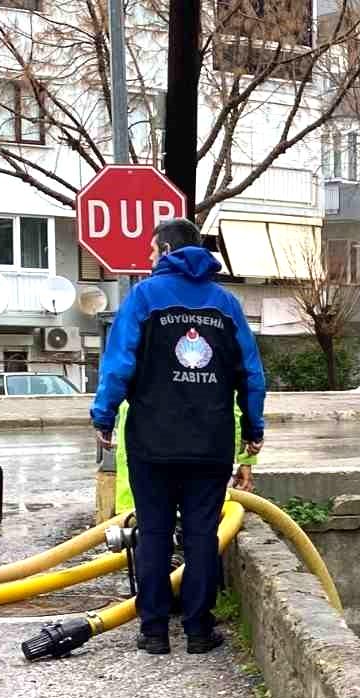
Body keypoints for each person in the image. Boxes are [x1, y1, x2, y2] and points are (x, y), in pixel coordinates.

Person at [90, 218, 266, 656]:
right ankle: (199, 632)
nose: (150, 259)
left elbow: (119, 363)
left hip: (153, 440)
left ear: (165, 250)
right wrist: (254, 428)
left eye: (151, 251)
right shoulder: (226, 304)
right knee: (202, 534)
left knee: (153, 532)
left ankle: (153, 633)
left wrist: (104, 415)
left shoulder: (144, 297)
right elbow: (251, 373)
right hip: (210, 441)